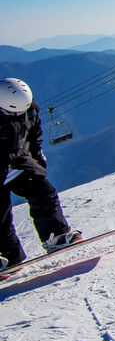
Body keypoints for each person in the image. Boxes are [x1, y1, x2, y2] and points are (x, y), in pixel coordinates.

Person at [1, 78, 82, 271]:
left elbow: (33, 135)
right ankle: (7, 256)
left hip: (17, 162)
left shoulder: (29, 110)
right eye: (13, 113)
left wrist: (37, 159)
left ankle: (56, 235)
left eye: (21, 112)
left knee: (43, 191)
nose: (19, 116)